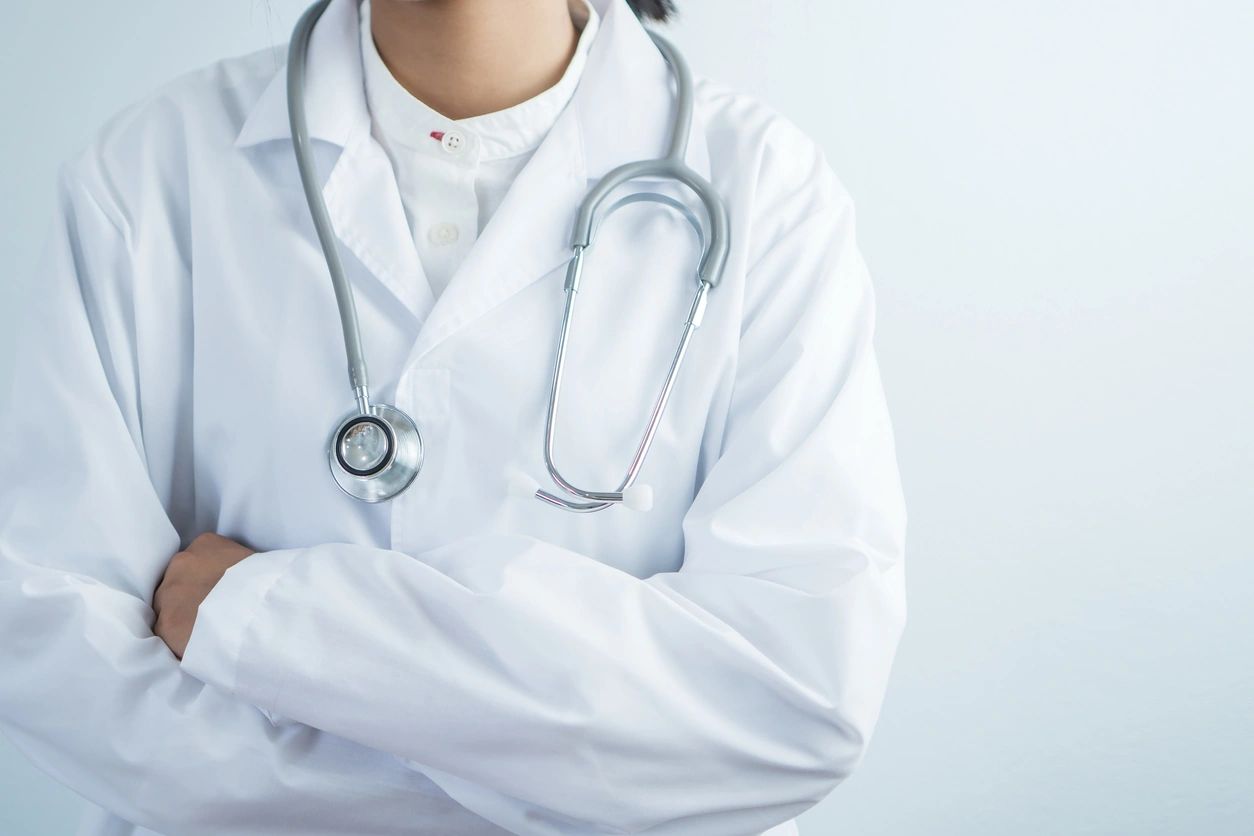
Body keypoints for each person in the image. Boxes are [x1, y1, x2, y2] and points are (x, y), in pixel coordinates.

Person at [0, 0, 907, 834]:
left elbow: (791, 703)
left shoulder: (770, 192)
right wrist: (565, 778)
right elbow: (55, 646)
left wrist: (263, 620)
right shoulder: (149, 173)